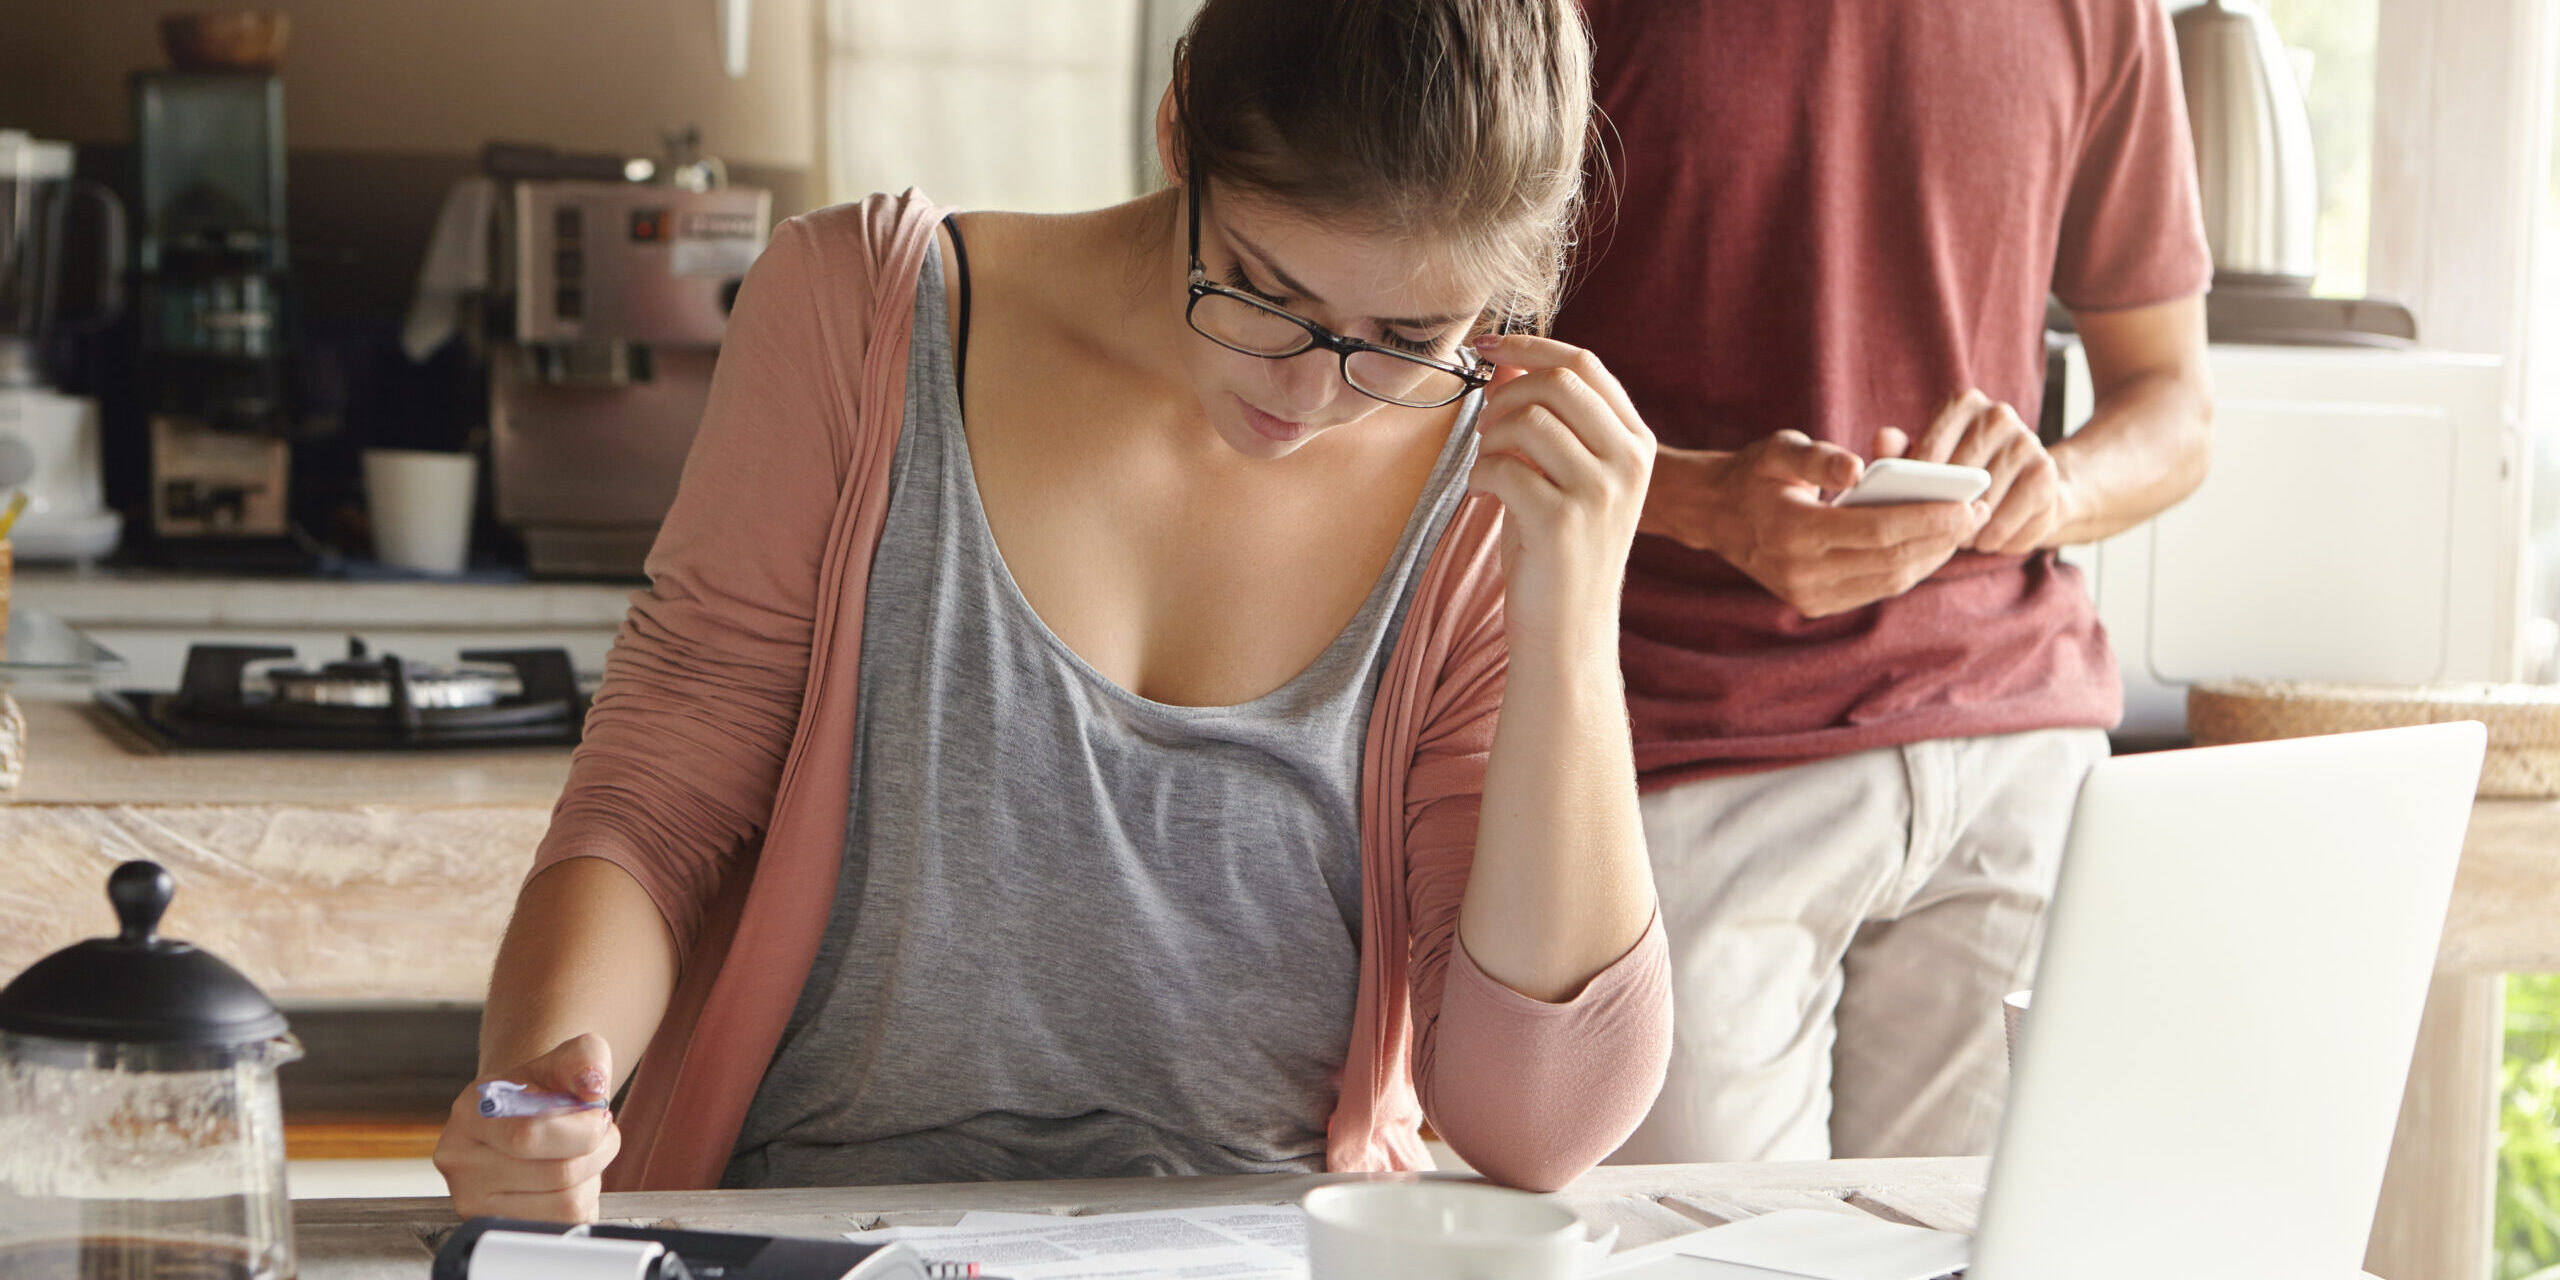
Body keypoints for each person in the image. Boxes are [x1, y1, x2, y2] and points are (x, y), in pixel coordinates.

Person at [434, 0, 1672, 1222]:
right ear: (1178, 126)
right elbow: (656, 814)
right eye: (1262, 288)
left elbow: (1539, 1125)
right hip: (817, 1232)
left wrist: (1569, 624)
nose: (1309, 393)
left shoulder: (1483, 483)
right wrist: (541, 1086)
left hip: (1256, 1252)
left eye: (1408, 336)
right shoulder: (859, 312)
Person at [1551, 0, 2215, 1163]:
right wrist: (1703, 499)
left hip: (2017, 754)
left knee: (1993, 1245)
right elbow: (1431, 377)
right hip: (1686, 755)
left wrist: (2053, 489)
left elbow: (2173, 402)